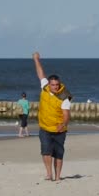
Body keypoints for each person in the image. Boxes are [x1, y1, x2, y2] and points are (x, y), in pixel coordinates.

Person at [32, 52, 72, 182]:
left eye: (57, 85)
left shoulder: (64, 97)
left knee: (58, 154)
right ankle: (49, 174)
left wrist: (63, 123)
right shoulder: (44, 88)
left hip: (59, 129)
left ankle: (58, 176)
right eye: (53, 85)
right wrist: (36, 59)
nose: (55, 87)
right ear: (49, 84)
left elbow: (66, 114)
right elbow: (40, 73)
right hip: (44, 128)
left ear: (59, 84)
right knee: (46, 151)